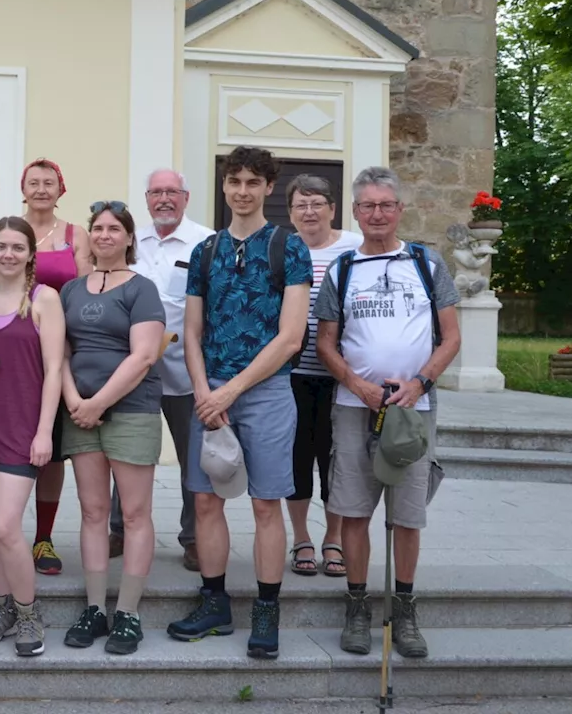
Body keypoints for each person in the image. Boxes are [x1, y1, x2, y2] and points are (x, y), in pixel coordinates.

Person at [169, 146, 312, 660]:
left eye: (254, 181)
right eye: (235, 181)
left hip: (267, 393)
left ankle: (267, 610)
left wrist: (232, 390)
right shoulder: (205, 251)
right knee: (206, 500)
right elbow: (190, 329)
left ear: (269, 187)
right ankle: (214, 602)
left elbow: (291, 336)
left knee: (265, 503)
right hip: (210, 393)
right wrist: (205, 390)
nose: (243, 190)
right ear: (224, 186)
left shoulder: (288, 247)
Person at [314, 166, 460, 659]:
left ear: (399, 210)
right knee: (354, 511)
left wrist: (419, 383)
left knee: (408, 515)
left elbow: (452, 336)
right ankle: (357, 606)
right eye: (367, 205)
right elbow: (326, 343)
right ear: (355, 212)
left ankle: (405, 608)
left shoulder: (427, 263)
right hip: (356, 406)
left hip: (413, 409)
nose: (377, 213)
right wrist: (356, 383)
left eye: (386, 205)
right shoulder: (343, 268)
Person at [59, 201, 165, 655]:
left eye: (113, 229)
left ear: (127, 238)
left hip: (131, 409)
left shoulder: (143, 289)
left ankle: (128, 613)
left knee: (136, 514)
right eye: (97, 228)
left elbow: (143, 355)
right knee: (92, 511)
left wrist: (98, 403)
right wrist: (74, 402)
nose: (104, 235)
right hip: (80, 410)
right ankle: (95, 608)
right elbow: (59, 353)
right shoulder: (70, 289)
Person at [0, 216, 64, 657]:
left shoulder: (44, 299)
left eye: (17, 247)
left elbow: (55, 370)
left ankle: (28, 611)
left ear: (29, 254)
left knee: (6, 525)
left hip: (23, 427)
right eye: (0, 247)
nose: (8, 254)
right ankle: (2, 605)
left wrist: (44, 433)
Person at [121, 168, 215, 572]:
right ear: (146, 198)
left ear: (186, 197)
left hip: (185, 368)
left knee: (192, 456)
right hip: (131, 369)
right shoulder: (131, 241)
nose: (163, 199)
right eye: (156, 192)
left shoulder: (206, 242)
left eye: (171, 192)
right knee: (124, 451)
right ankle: (116, 529)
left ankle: (194, 537)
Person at [285, 174, 362, 578]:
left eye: (317, 203)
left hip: (342, 376)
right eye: (301, 204)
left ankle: (333, 538)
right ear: (292, 212)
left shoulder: (353, 248)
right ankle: (301, 537)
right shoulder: (283, 248)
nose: (309, 212)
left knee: (337, 460)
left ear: (332, 208)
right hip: (292, 376)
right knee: (296, 459)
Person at [20, 158, 91, 577]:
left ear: (61, 189)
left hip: (61, 349)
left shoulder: (74, 235)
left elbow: (81, 292)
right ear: (23, 188)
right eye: (34, 182)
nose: (42, 189)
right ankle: (1, 527)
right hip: (15, 347)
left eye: (49, 183)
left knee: (53, 452)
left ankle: (43, 536)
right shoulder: (9, 227)